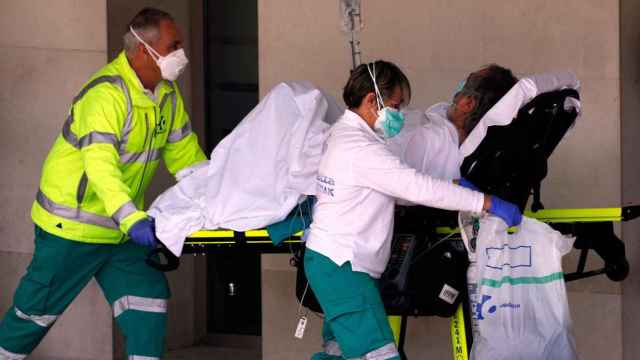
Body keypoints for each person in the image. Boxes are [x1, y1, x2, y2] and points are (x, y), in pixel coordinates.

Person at [0, 8, 206, 359]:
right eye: (174, 45)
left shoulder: (167, 96)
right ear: (145, 49)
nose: (181, 54)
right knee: (32, 317)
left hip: (120, 231)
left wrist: (218, 199)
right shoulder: (105, 96)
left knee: (148, 306)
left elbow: (187, 157)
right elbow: (101, 167)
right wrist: (130, 217)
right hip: (73, 229)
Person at [303, 60, 522, 360]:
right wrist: (486, 202)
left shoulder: (351, 137)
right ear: (371, 100)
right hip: (343, 267)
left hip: (335, 264)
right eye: (395, 106)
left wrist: (454, 184)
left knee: (339, 353)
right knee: (380, 356)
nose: (399, 114)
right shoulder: (360, 148)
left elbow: (400, 191)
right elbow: (416, 186)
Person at [388, 64, 518, 180]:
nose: (457, 94)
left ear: (468, 104)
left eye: (465, 85)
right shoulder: (444, 122)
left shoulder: (431, 141)